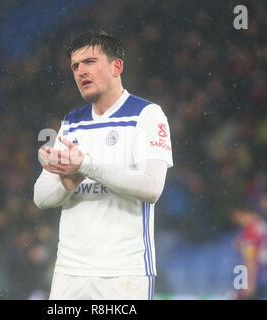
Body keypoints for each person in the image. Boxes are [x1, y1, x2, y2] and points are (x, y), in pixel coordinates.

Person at [34, 30, 173, 300]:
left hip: (124, 273)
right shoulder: (72, 123)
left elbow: (152, 188)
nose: (80, 71)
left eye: (90, 62)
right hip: (69, 273)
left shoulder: (147, 115)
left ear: (116, 67)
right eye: (75, 66)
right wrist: (68, 183)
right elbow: (40, 197)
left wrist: (85, 165)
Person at [232, 207, 267, 300]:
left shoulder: (251, 230)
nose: (239, 221)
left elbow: (250, 259)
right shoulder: (266, 227)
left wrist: (249, 283)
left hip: (254, 277)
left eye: (240, 217)